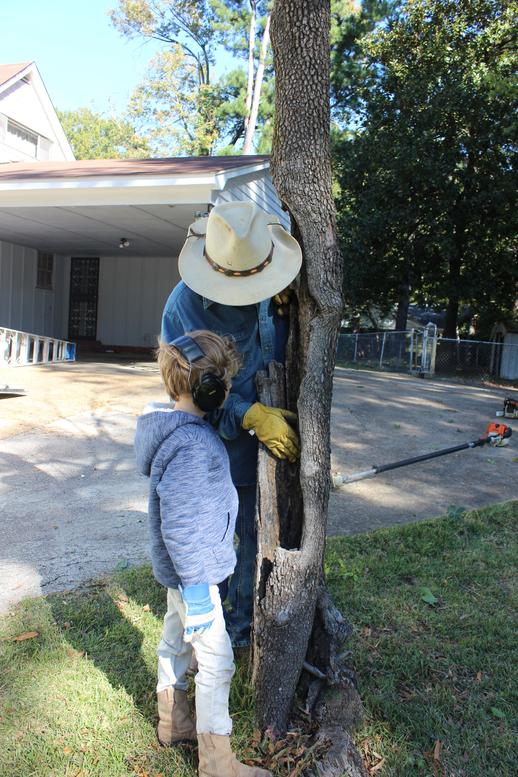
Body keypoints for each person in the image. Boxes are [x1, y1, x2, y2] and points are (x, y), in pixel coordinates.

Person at [161, 202, 302, 648]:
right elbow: (193, 392)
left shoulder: (269, 274)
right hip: (215, 449)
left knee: (257, 534)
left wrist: (286, 298)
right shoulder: (185, 307)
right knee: (218, 541)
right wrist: (249, 414)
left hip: (271, 442)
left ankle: (245, 625)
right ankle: (220, 633)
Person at [135, 330, 271, 777]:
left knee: (175, 642)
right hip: (195, 578)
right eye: (224, 381)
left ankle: (173, 723)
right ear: (209, 389)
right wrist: (197, 592)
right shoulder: (193, 447)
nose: (228, 389)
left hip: (181, 577)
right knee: (217, 662)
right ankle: (218, 763)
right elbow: (181, 525)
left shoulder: (175, 432)